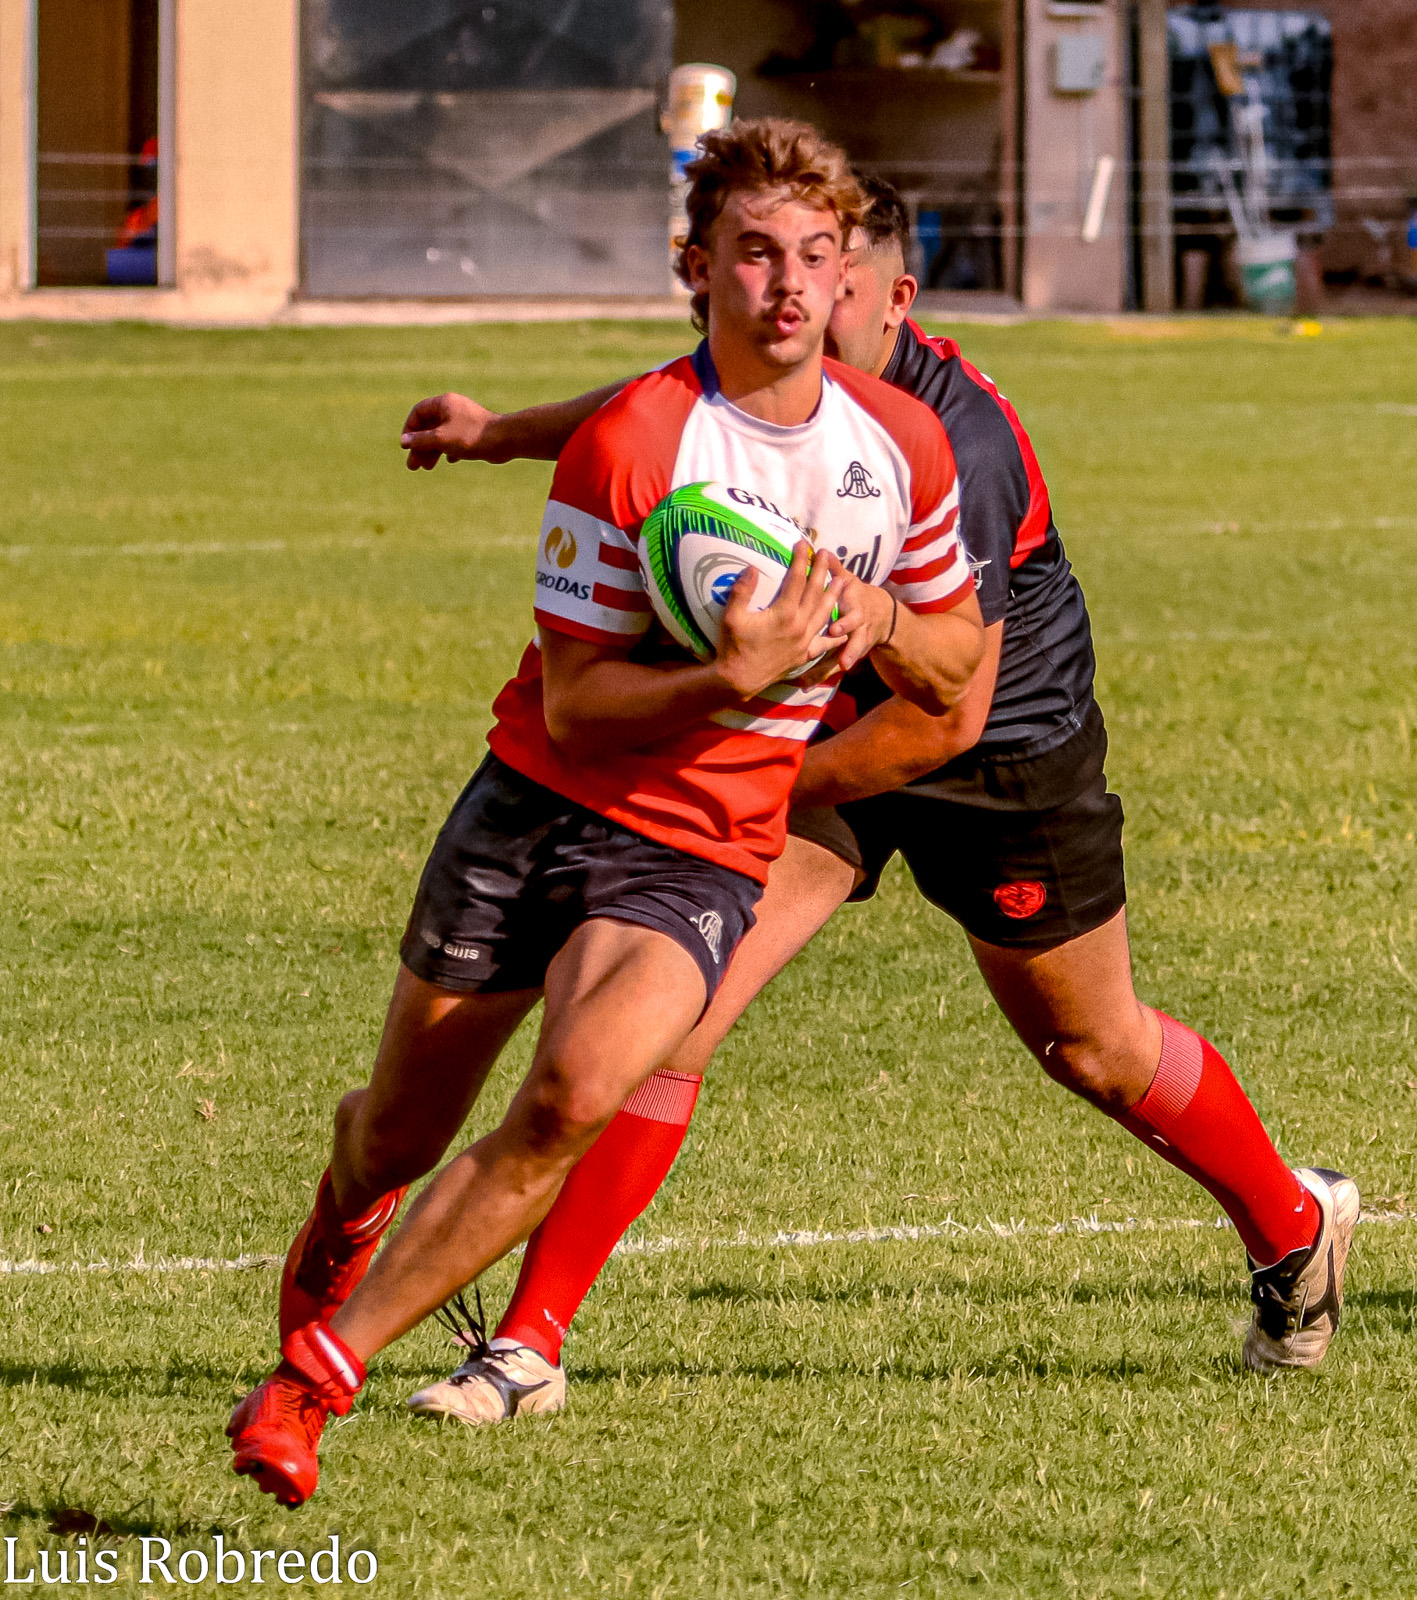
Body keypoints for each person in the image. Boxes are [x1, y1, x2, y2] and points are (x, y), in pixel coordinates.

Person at [394, 175, 1358, 1427]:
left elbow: (950, 707)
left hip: (996, 754)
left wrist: (767, 779)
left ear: (894, 299)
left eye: (832, 292)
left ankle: (1294, 1224)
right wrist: (499, 433)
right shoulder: (782, 372)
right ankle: (529, 1345)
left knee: (1092, 1047)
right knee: (675, 1012)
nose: (794, 312)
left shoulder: (955, 443)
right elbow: (660, 401)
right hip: (829, 711)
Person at [226, 124, 984, 1507]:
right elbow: (576, 710)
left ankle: (305, 1388)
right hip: (538, 811)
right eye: (755, 253)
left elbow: (955, 667)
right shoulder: (636, 441)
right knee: (395, 1130)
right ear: (695, 270)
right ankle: (348, 1209)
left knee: (572, 1097)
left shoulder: (904, 448)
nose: (791, 284)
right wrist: (732, 674)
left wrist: (874, 616)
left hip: (702, 844)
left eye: (818, 255)